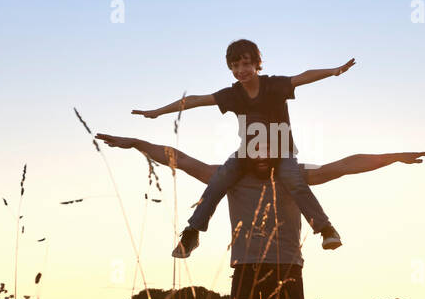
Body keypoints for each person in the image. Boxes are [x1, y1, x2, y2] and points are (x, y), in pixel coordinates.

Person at [95, 132, 425, 299]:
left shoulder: (294, 178)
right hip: (246, 269)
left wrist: (395, 157)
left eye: (267, 151)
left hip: (288, 269)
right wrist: (137, 143)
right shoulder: (227, 178)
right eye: (252, 150)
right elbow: (180, 159)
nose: (259, 157)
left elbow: (344, 166)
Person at [130, 39, 354, 258]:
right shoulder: (233, 94)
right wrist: (158, 111)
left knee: (295, 181)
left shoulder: (274, 85)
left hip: (281, 152)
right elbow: (196, 100)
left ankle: (325, 229)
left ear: (257, 63)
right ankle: (192, 233)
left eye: (246, 64)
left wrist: (333, 71)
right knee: (219, 180)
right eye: (235, 66)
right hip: (248, 154)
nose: (241, 70)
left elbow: (302, 77)